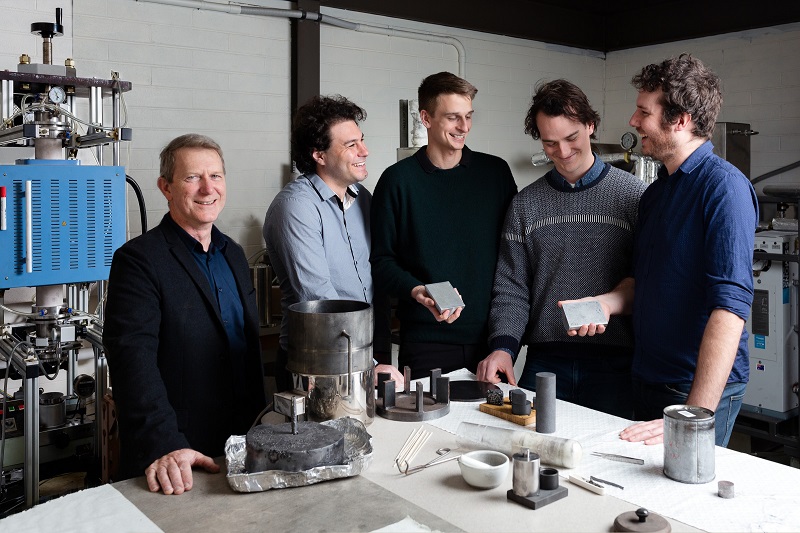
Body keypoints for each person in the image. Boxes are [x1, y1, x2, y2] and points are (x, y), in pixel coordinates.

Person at [567, 54, 758, 446]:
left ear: (680, 120)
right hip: (648, 376)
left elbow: (730, 309)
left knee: (683, 484)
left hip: (693, 388)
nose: (633, 121)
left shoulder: (724, 189)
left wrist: (695, 414)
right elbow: (645, 281)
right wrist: (605, 303)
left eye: (644, 112)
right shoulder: (656, 193)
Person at [103, 134, 267, 494]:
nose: (208, 188)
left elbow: (245, 351)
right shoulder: (139, 260)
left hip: (243, 446)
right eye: (193, 177)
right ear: (166, 187)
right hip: (179, 456)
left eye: (216, 176)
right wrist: (165, 444)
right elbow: (132, 359)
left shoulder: (234, 255)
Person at [475, 79, 646, 418]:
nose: (563, 151)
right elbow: (511, 288)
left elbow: (647, 280)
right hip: (545, 362)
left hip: (616, 366)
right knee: (529, 445)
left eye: (571, 138)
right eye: (550, 143)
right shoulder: (525, 205)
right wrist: (503, 347)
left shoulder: (633, 196)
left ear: (591, 125)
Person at [371, 72, 518, 380]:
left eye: (468, 116)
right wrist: (417, 290)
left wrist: (506, 338)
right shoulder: (397, 181)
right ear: (426, 118)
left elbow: (515, 257)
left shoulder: (496, 174)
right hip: (425, 343)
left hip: (490, 343)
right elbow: (382, 262)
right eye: (453, 118)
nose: (464, 127)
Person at [263, 95, 403, 392]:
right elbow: (319, 299)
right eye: (351, 145)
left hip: (365, 350)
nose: (364, 151)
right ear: (319, 155)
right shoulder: (296, 207)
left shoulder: (363, 199)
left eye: (361, 140)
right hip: (317, 361)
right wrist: (369, 366)